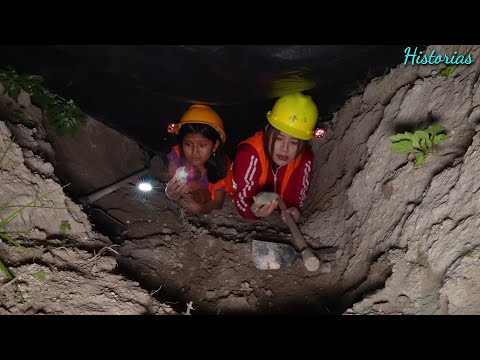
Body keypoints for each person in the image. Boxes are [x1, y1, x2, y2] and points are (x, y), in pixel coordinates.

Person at [232, 92, 326, 223]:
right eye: (279, 138)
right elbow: (242, 200)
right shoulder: (249, 153)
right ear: (267, 131)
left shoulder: (304, 159)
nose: (284, 148)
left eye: (294, 142)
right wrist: (251, 211)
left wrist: (293, 210)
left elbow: (296, 198)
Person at [164, 104, 234, 214]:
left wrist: (200, 209)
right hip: (187, 195)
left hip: (204, 196)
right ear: (181, 143)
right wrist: (170, 193)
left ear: (215, 145)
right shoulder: (177, 155)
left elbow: (217, 202)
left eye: (202, 145)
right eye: (188, 144)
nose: (195, 152)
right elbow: (170, 182)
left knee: (199, 193)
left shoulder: (221, 164)